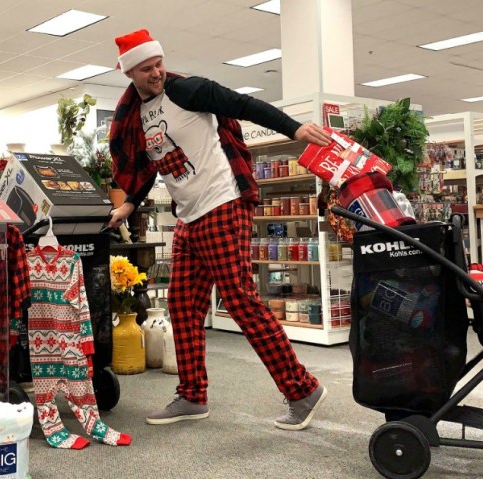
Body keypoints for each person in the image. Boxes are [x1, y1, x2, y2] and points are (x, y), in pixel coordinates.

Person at [107, 29, 332, 430]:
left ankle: (303, 390)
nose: (156, 72)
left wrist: (294, 129)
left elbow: (243, 104)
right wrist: (129, 204)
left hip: (223, 202)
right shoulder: (136, 116)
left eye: (158, 63)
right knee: (182, 305)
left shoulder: (187, 90)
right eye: (146, 68)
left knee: (241, 301)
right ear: (129, 73)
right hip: (190, 215)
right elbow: (148, 166)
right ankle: (192, 396)